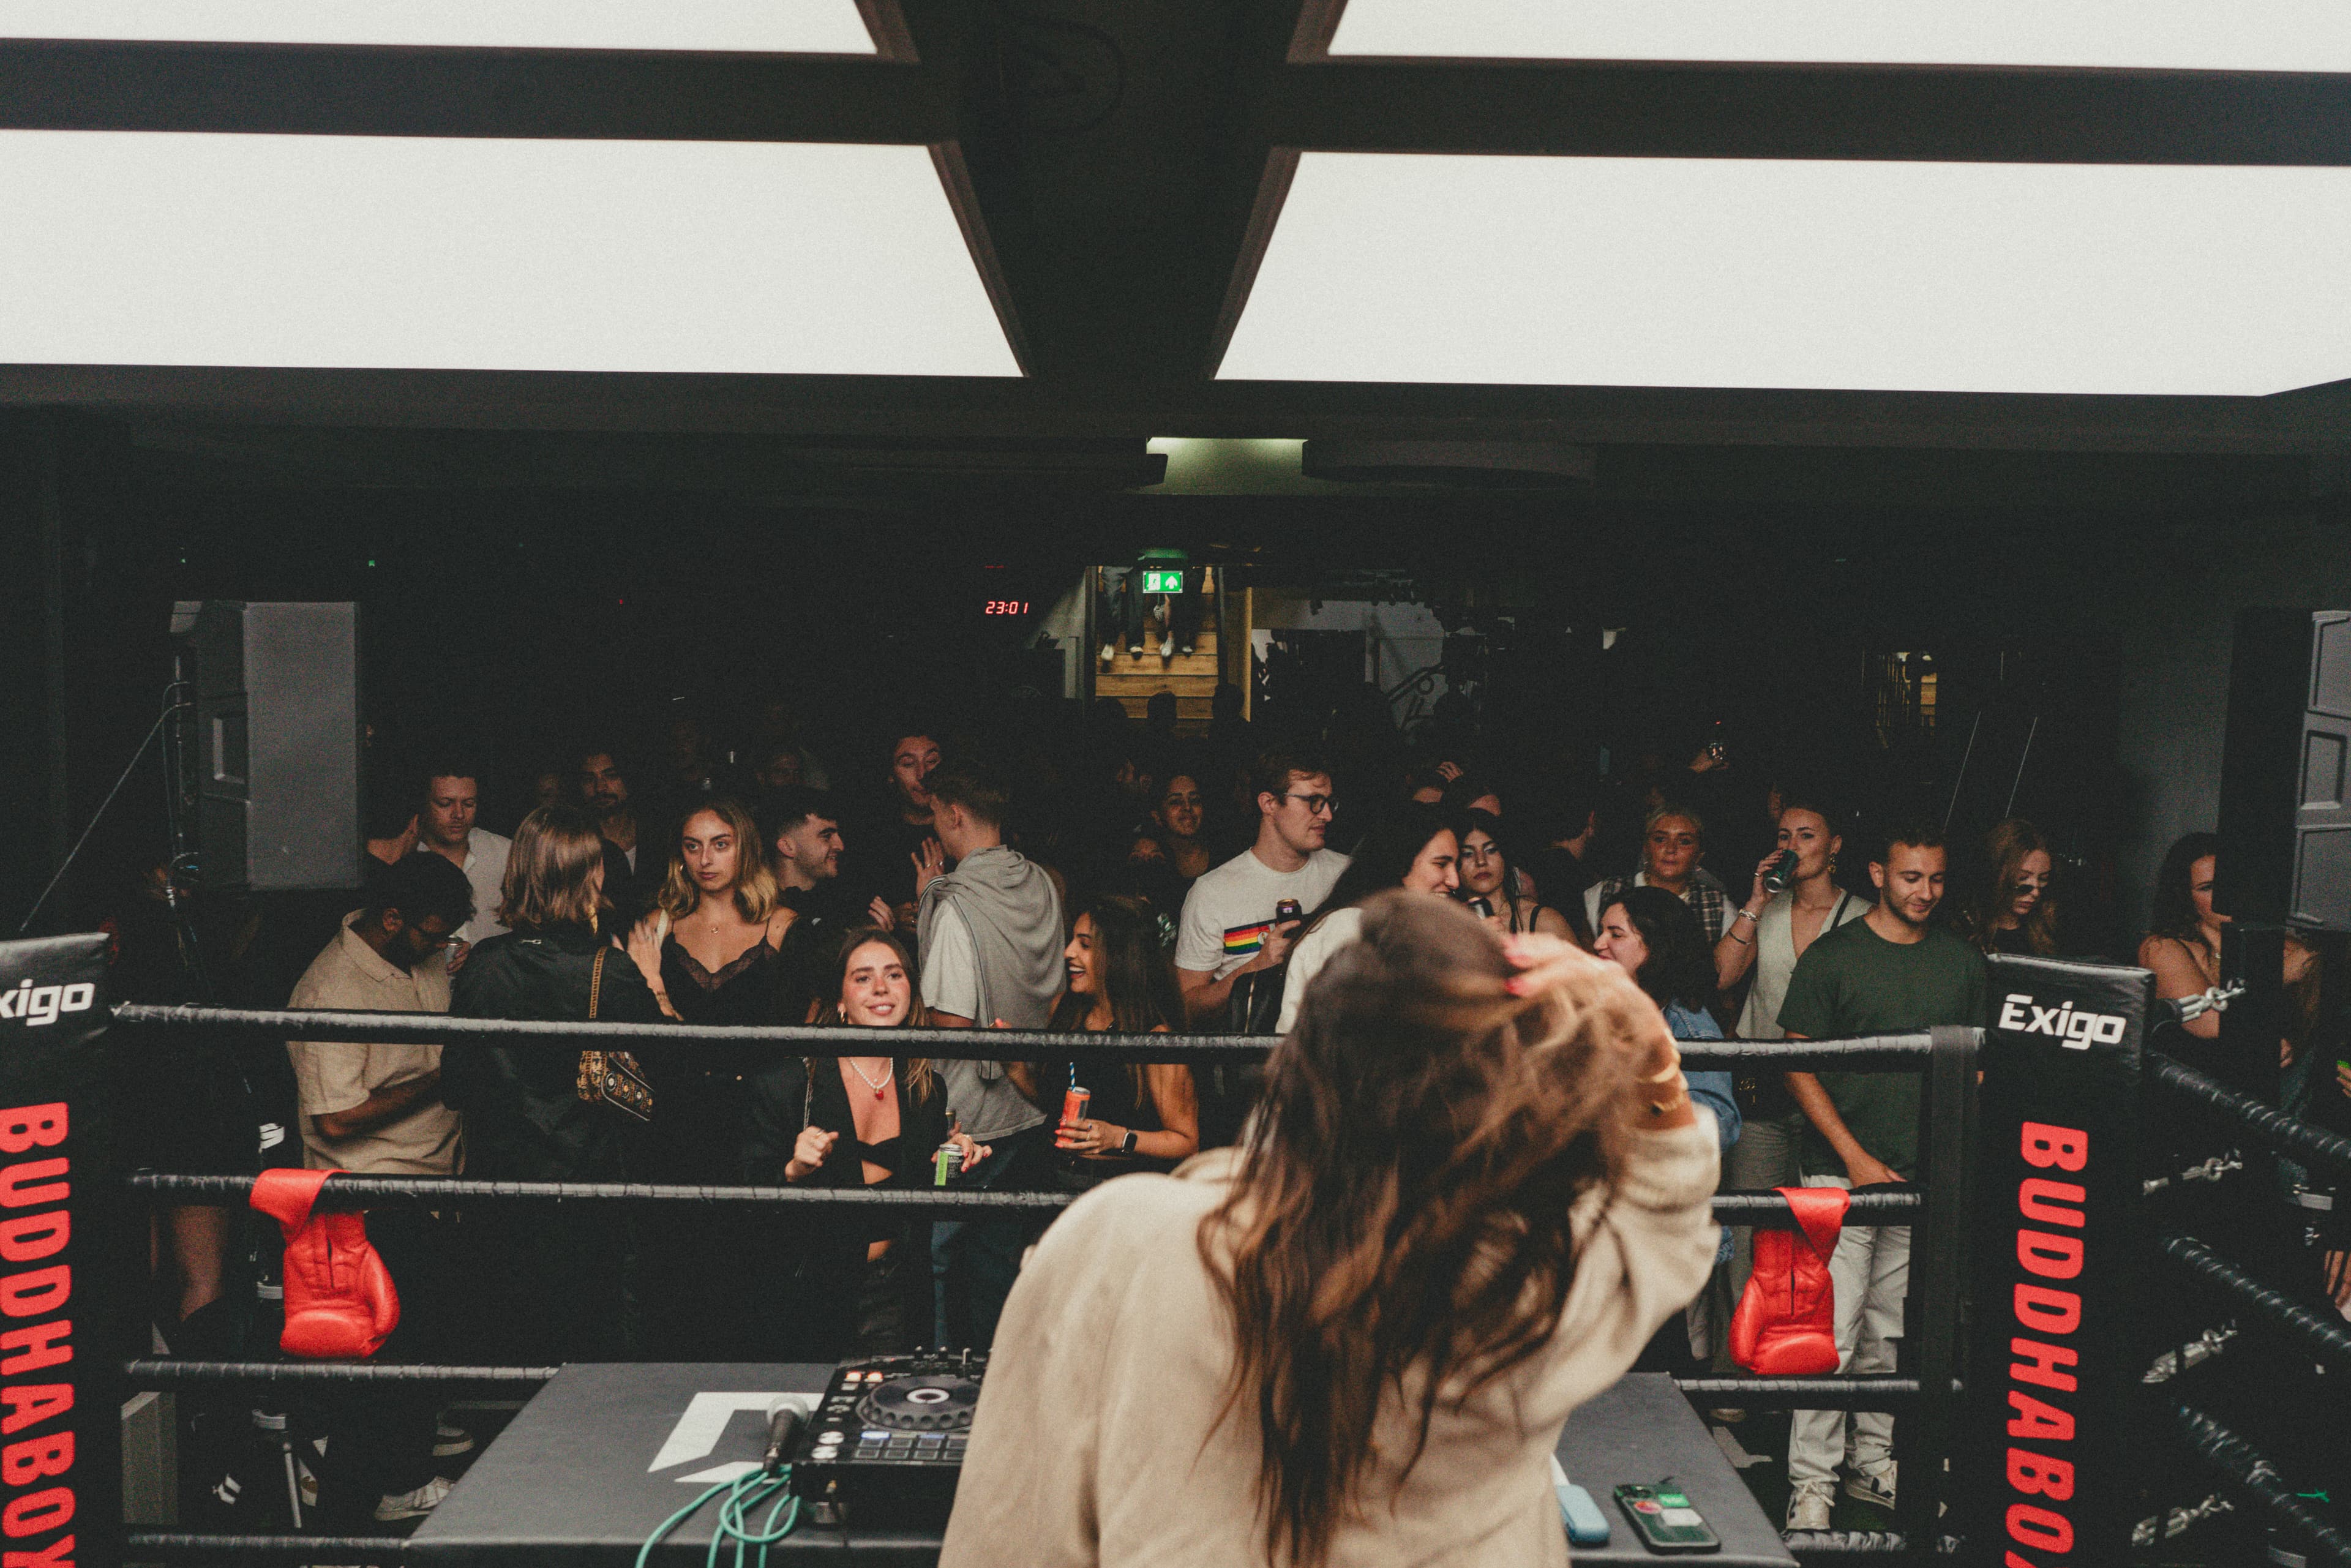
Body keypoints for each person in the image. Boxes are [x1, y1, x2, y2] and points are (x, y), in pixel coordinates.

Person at [940, 893, 1721, 1568]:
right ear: (1494, 1116)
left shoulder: (1123, 1242)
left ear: (1295, 1073)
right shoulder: (1528, 1291)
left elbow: (1013, 1532)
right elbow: (1666, 1219)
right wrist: (1647, 1046)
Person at [1777, 820, 1987, 1531]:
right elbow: (1795, 1062)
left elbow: (1977, 1071)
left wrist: (1946, 1159)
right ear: (1877, 872)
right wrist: (1855, 1158)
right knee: (1829, 1338)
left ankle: (1873, 1458)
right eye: (1910, 877)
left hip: (1919, 1176)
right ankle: (1811, 1482)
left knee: (1887, 1336)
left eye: (1935, 878)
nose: (1925, 891)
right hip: (1840, 1173)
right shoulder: (1834, 957)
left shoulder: (1962, 961)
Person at [283, 850, 474, 1525]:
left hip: (433, 1179)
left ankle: (407, 1456)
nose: (440, 943)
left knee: (422, 1341)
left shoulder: (415, 957)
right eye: (432, 930)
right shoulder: (331, 986)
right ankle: (376, 1492)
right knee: (389, 1355)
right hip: (371, 1197)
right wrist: (443, 1078)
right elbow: (333, 1117)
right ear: (392, 918)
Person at [445, 805, 664, 1365]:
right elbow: (667, 1071)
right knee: (588, 1354)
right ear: (587, 877)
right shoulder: (608, 970)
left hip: (502, 1196)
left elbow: (455, 1084)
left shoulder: (484, 966)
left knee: (516, 1354)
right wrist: (654, 981)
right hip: (587, 1195)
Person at [751, 930, 988, 1357]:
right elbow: (746, 1201)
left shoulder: (925, 1087)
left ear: (910, 992)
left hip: (896, 1292)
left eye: (893, 974)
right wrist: (793, 1170)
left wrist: (957, 1157)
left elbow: (933, 1199)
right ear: (840, 1001)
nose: (881, 987)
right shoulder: (788, 1084)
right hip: (812, 1295)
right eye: (863, 978)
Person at [622, 797, 797, 1358]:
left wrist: (659, 990)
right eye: (693, 845)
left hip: (758, 1119)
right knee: (677, 1259)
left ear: (744, 846)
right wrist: (649, 980)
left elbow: (807, 1029)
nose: (706, 858)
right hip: (676, 1117)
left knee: (754, 1262)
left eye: (720, 843)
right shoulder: (658, 925)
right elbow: (644, 1041)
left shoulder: (782, 925)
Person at [1708, 795, 1870, 1357]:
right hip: (1763, 1086)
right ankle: (1740, 1371)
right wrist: (1755, 902)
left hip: (1832, 1094)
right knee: (1750, 1227)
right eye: (1784, 835)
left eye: (1806, 835)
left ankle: (1800, 1370)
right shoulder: (1768, 910)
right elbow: (1721, 977)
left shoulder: (1862, 915)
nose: (1792, 846)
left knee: (1817, 1235)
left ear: (1835, 847)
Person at [916, 756, 1063, 1348]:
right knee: (1007, 1260)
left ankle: (947, 1384)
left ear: (954, 814)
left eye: (935, 817)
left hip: (967, 1120)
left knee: (943, 1256)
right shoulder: (1043, 884)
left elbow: (949, 1020)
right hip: (1032, 1099)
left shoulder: (955, 902)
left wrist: (927, 902)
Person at [1592, 887, 1743, 1375]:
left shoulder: (1686, 1024)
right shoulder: (1614, 1007)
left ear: (1653, 946)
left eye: (1616, 934)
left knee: (1652, 1366)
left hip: (1649, 1224)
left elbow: (1716, 1124)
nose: (1598, 943)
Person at [1174, 748, 1351, 1026]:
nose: (1327, 814)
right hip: (1252, 1064)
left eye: (1329, 802)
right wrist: (1256, 967)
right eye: (1313, 801)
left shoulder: (1348, 876)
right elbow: (1188, 1007)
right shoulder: (1212, 893)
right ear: (1269, 803)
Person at [1046, 896, 1200, 1188]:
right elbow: (1053, 1105)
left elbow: (1186, 1142)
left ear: (1120, 956)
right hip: (1054, 1176)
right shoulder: (1064, 1011)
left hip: (1120, 1189)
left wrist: (1118, 1137)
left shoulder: (1156, 1038)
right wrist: (1015, 1070)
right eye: (1072, 941)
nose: (1068, 952)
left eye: (1085, 945)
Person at [1277, 802, 1461, 1032]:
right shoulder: (1349, 927)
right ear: (1399, 861)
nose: (1455, 881)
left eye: (1456, 865)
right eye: (1441, 864)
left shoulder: (1411, 931)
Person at [1586, 805, 1730, 943]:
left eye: (1684, 841)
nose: (1671, 849)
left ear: (1699, 855)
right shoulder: (1605, 893)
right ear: (1646, 847)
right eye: (1660, 839)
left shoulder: (1717, 906)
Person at [414, 763, 511, 953]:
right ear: (424, 804)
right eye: (445, 804)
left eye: (468, 804)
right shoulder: (409, 858)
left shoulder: (506, 854)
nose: (459, 814)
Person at [2139, 831, 2226, 1041]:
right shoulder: (2162, 948)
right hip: (2194, 1070)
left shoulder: (2271, 939)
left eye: (2228, 882)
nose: (2223, 895)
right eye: (2207, 888)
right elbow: (2210, 1023)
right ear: (2185, 896)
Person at [1457, 808, 1575, 942]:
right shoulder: (1445, 927)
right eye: (1468, 854)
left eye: (1491, 850)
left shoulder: (1545, 921)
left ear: (1504, 855)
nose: (1481, 861)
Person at [1122, 770, 1214, 923]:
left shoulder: (1225, 856)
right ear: (1157, 816)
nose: (1187, 807)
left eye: (1195, 800)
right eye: (1176, 802)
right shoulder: (1151, 860)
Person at [1959, 817, 2060, 956]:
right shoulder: (1964, 928)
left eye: (2043, 879)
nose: (2035, 892)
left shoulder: (2048, 931)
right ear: (1997, 874)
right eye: (2023, 878)